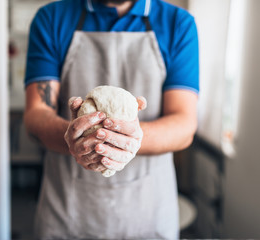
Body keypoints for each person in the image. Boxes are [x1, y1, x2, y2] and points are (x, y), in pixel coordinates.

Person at [23, 0, 199, 238]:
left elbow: (184, 125)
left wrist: (125, 140)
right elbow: (36, 115)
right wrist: (75, 137)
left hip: (147, 213)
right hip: (69, 213)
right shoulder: (52, 18)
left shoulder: (177, 24)